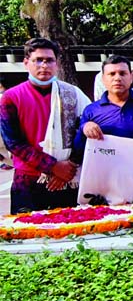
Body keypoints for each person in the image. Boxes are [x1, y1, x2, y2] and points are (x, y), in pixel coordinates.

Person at [0, 38, 90, 213]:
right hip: (28, 181)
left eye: (49, 60)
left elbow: (86, 130)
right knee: (28, 236)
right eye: (38, 60)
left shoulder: (72, 94)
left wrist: (70, 166)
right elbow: (13, 142)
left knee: (72, 234)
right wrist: (53, 167)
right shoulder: (10, 97)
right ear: (26, 63)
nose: (44, 65)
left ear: (56, 64)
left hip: (67, 180)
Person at [72, 56, 133, 164]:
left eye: (122, 73)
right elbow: (79, 149)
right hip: (105, 173)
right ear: (103, 79)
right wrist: (84, 128)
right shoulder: (91, 110)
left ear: (131, 78)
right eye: (112, 74)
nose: (117, 78)